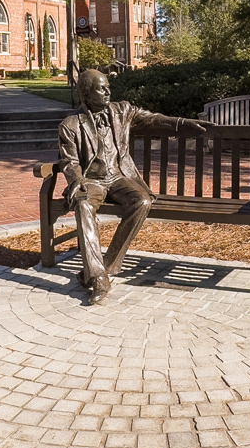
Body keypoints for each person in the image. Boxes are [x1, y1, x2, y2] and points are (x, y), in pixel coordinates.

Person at [58, 69, 213, 304]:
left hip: (119, 177)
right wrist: (77, 182)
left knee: (142, 201)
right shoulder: (70, 125)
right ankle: (98, 279)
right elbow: (69, 161)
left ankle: (105, 268)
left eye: (108, 86)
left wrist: (182, 124)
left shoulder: (122, 110)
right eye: (101, 88)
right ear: (86, 94)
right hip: (92, 180)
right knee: (83, 205)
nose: (108, 91)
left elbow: (153, 119)